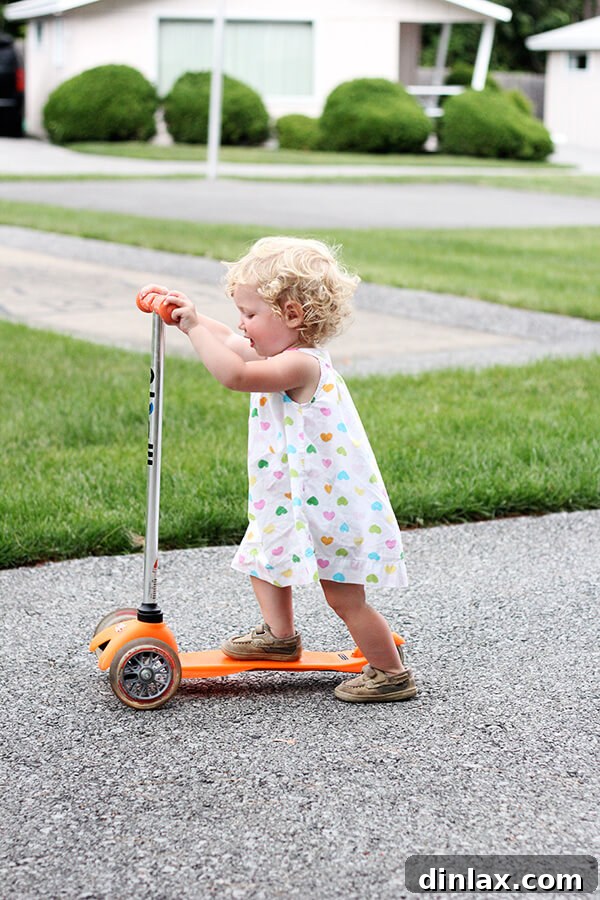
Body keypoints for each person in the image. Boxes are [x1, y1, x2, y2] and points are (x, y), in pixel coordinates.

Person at [137, 236, 416, 703]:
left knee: (344, 598)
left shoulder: (301, 366)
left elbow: (234, 375)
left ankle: (390, 672)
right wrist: (190, 313)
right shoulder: (276, 353)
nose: (240, 325)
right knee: (265, 556)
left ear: (290, 315)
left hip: (329, 507)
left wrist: (191, 330)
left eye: (249, 314)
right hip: (288, 497)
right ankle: (279, 637)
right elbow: (229, 342)